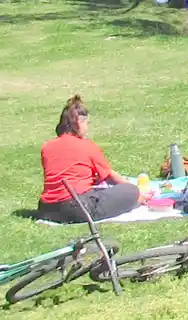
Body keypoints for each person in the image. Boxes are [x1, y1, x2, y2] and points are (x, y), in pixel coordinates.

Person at [36, 96, 140, 224]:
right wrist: (137, 192)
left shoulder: (47, 146)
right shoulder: (86, 145)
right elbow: (110, 176)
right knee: (130, 191)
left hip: (47, 209)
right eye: (87, 123)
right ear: (79, 122)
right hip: (76, 208)